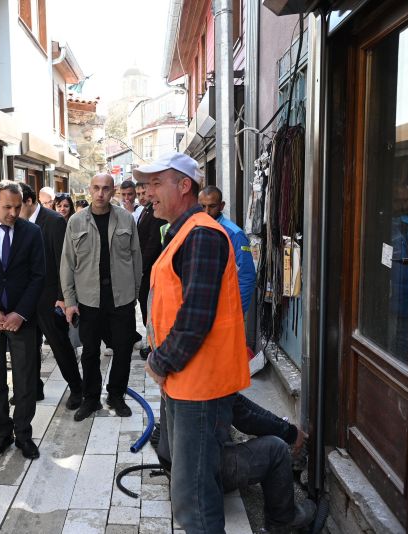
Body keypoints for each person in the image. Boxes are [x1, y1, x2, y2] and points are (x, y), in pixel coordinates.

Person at [137, 152, 250, 533]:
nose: (147, 192)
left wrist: (160, 360)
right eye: (146, 184)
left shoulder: (201, 234)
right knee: (190, 483)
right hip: (186, 381)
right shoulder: (185, 232)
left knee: (195, 497)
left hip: (199, 385)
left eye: (156, 183)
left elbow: (196, 316)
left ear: (184, 185)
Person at [153, 393, 316, 532]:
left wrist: (282, 425)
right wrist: (291, 433)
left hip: (176, 468)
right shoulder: (207, 375)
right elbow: (246, 418)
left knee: (222, 427)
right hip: (198, 477)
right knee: (276, 449)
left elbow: (238, 402)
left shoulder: (180, 366)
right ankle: (283, 521)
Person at [0, 180, 45, 460]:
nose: (13, 212)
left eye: (17, 206)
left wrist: (20, 313)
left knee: (25, 379)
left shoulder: (32, 232)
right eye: (7, 207)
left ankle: (24, 434)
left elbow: (39, 275)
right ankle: (3, 433)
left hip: (21, 319)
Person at [61, 173, 142, 421]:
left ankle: (116, 395)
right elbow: (67, 264)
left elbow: (136, 259)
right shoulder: (76, 222)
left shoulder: (126, 219)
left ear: (113, 190)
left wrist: (134, 295)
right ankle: (91, 399)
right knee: (90, 352)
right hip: (89, 299)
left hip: (121, 298)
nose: (100, 193)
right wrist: (70, 301)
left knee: (123, 348)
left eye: (105, 189)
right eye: (96, 188)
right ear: (89, 189)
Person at [19, 184, 83, 409]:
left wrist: (63, 296)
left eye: (18, 206)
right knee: (28, 347)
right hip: (26, 298)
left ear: (28, 202)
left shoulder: (54, 221)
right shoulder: (18, 222)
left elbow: (63, 261)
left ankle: (77, 389)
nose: (13, 211)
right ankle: (33, 388)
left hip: (50, 297)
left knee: (59, 346)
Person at [198, 185, 257, 314]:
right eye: (202, 206)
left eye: (212, 206)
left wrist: (236, 312)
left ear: (221, 206)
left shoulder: (234, 234)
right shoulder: (194, 229)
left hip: (225, 311)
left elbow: (246, 276)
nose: (206, 212)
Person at [135, 181, 167, 359]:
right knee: (145, 305)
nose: (141, 196)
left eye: (143, 192)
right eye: (138, 192)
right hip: (145, 269)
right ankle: (151, 342)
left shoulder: (155, 212)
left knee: (150, 308)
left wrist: (141, 268)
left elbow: (153, 244)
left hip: (150, 269)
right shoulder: (145, 210)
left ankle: (153, 344)